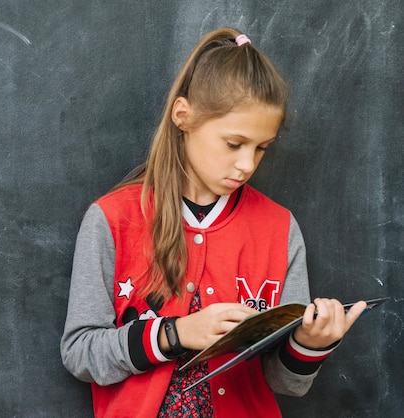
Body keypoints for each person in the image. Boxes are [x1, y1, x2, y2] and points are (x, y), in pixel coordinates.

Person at [60, 27, 367, 418]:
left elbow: (285, 383)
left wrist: (310, 343)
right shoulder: (112, 219)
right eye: (234, 143)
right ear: (183, 117)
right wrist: (176, 334)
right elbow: (80, 354)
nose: (247, 164)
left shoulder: (279, 229)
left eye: (261, 149)